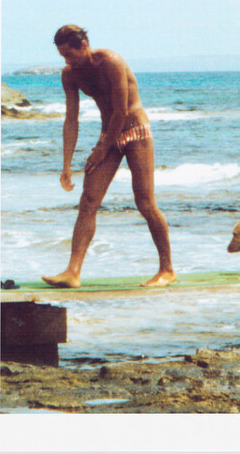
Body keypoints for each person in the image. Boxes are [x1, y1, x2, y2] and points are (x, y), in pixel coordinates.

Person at [42, 25, 176, 289]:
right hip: (109, 135)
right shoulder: (70, 74)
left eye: (69, 54)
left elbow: (120, 112)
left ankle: (167, 269)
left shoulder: (111, 62)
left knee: (145, 202)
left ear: (84, 45)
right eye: (62, 56)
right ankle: (72, 272)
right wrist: (66, 164)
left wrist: (102, 149)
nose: (66, 61)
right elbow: (71, 119)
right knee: (88, 199)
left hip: (135, 129)